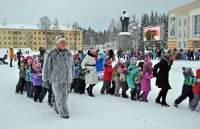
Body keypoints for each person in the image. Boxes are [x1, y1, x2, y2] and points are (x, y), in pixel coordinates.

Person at [43, 35, 75, 119]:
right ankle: (64, 113)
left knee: (64, 96)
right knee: (62, 97)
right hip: (57, 78)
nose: (64, 43)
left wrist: (72, 75)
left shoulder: (68, 52)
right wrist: (45, 78)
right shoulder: (52, 53)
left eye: (64, 42)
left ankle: (56, 107)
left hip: (67, 78)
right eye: (62, 42)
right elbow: (46, 66)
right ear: (57, 43)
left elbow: (72, 66)